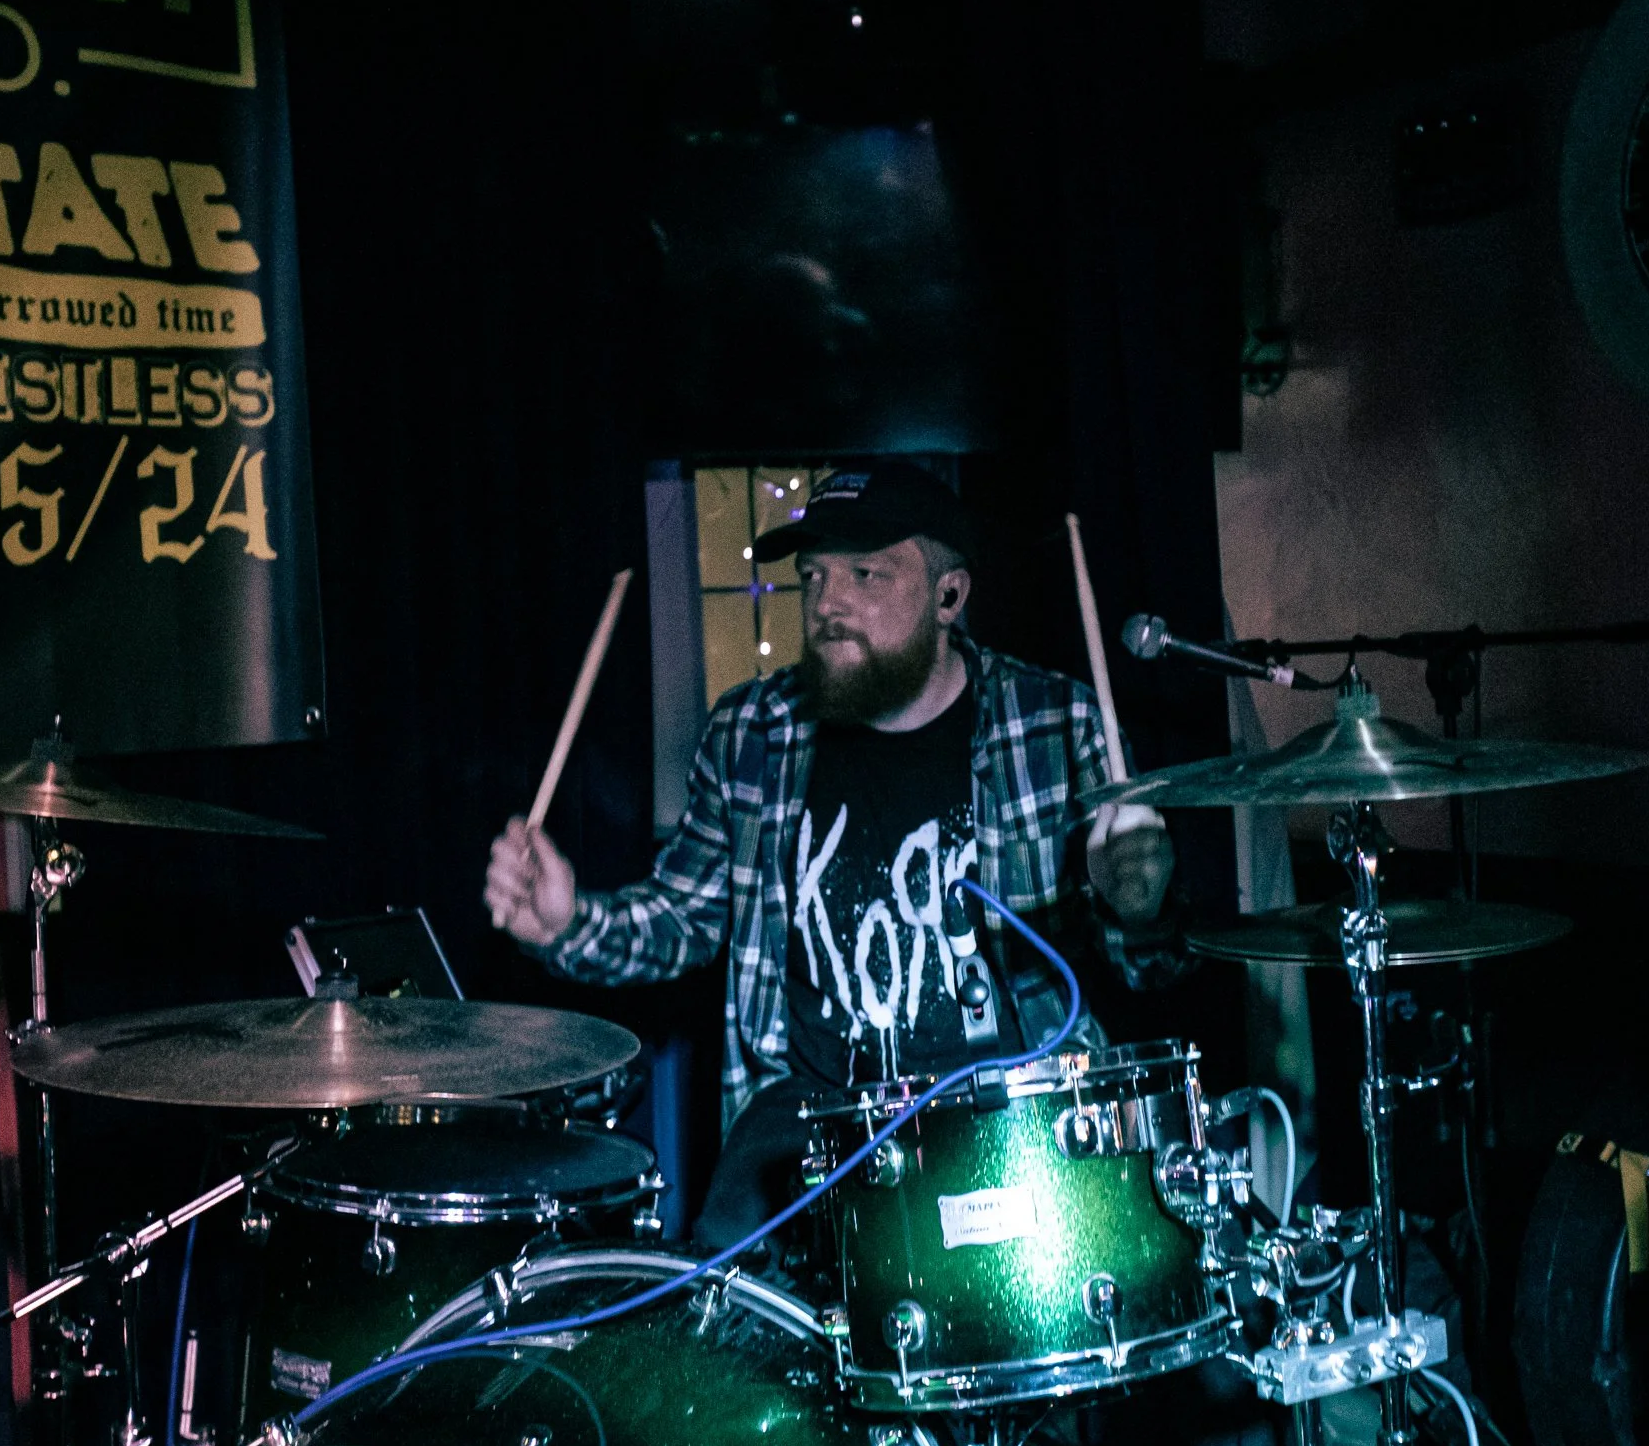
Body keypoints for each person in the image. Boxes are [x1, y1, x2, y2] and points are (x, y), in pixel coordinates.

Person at [484, 461, 1186, 1248]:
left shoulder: (1057, 723)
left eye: (865, 573)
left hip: (1013, 1109)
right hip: (813, 1120)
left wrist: (1140, 910)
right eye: (813, 575)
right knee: (721, 1295)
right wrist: (566, 923)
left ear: (950, 595)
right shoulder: (752, 733)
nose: (826, 602)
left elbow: (1147, 973)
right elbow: (682, 917)